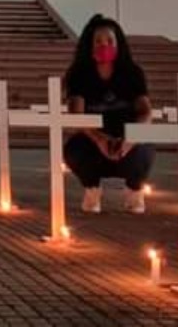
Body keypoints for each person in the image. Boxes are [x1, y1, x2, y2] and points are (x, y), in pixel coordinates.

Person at [62, 14, 155, 215]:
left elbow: (145, 110)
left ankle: (134, 189)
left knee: (144, 152)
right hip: (93, 139)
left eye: (110, 41)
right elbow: (75, 112)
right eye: (98, 41)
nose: (104, 46)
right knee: (74, 150)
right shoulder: (79, 74)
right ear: (89, 45)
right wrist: (99, 139)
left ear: (118, 43)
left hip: (126, 137)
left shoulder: (132, 73)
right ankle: (92, 189)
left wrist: (131, 139)